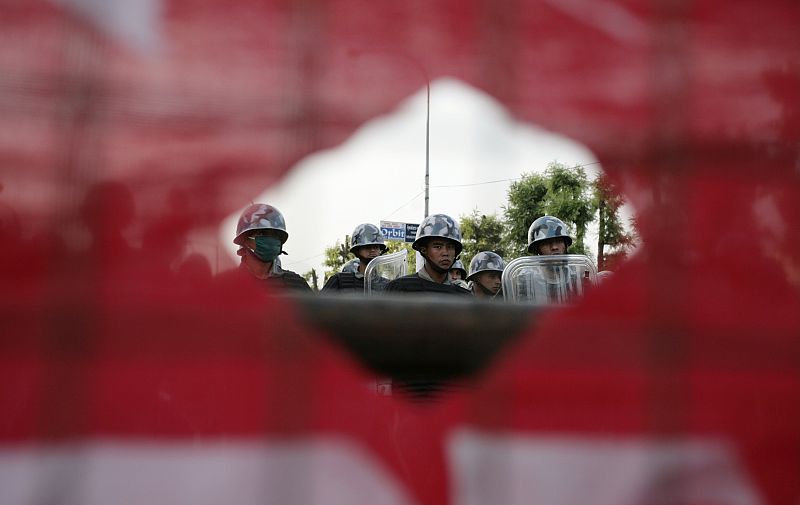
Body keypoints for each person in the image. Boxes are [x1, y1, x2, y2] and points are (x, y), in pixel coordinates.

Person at [221, 203, 311, 292]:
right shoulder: (224, 285)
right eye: (262, 233)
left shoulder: (297, 285)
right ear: (244, 240)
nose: (270, 239)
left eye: (275, 235)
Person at [385, 213, 471, 296]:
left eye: (450, 247)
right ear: (423, 250)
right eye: (438, 247)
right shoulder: (399, 289)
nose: (445, 253)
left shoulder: (464, 297)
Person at [322, 223, 387, 294]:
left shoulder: (387, 285)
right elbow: (318, 303)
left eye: (376, 247)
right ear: (357, 251)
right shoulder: (340, 281)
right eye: (367, 247)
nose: (372, 250)